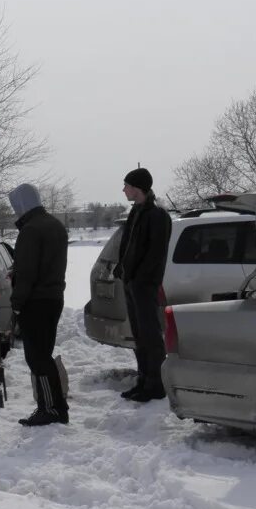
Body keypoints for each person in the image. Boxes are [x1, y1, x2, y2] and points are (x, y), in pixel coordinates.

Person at [7, 184, 70, 426]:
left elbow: (28, 273)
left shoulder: (31, 230)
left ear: (22, 204)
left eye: (15, 206)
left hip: (36, 301)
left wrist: (17, 303)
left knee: (38, 358)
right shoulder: (54, 225)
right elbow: (43, 264)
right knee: (43, 354)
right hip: (53, 297)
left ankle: (51, 409)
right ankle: (55, 405)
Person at [114, 167, 173, 403]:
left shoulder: (157, 215)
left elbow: (156, 254)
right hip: (132, 282)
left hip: (144, 285)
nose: (124, 190)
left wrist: (140, 278)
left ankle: (156, 385)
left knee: (150, 335)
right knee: (139, 334)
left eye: (127, 185)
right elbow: (128, 246)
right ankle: (143, 381)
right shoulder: (136, 212)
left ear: (138, 188)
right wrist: (122, 269)